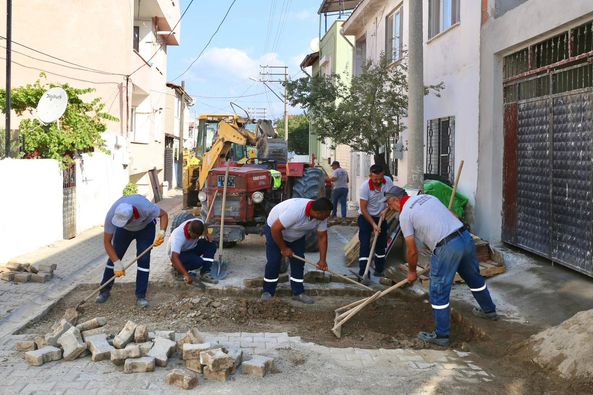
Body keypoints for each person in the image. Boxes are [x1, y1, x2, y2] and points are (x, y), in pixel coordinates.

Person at [383, 185, 498, 347]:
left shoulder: (405, 214)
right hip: (465, 237)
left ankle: (441, 335)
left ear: (395, 200)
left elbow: (412, 250)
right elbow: (454, 215)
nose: (389, 207)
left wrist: (411, 272)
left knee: (438, 290)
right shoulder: (428, 198)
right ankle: (489, 311)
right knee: (473, 277)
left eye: (388, 204)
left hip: (447, 246)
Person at [96, 194, 169, 308]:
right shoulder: (112, 215)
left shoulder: (146, 207)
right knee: (115, 256)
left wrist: (162, 232)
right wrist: (116, 263)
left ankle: (141, 295)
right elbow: (107, 242)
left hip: (146, 228)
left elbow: (163, 214)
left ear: (133, 217)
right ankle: (104, 290)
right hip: (124, 231)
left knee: (143, 259)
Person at [261, 197, 333, 304]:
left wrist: (322, 260)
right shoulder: (296, 211)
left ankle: (298, 292)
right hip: (275, 231)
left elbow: (322, 237)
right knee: (274, 261)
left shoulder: (322, 217)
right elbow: (275, 229)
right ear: (317, 213)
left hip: (297, 236)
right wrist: (284, 248)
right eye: (325, 215)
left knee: (299, 261)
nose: (326, 218)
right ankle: (268, 291)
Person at [357, 164, 394, 283]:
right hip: (366, 217)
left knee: (381, 243)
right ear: (370, 176)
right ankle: (363, 272)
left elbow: (392, 198)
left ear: (383, 175)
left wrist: (386, 209)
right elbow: (363, 209)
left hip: (381, 217)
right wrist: (373, 224)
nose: (378, 181)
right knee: (365, 243)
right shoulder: (364, 188)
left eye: (380, 178)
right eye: (375, 179)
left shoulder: (387, 181)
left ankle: (379, 269)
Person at [167, 218, 219, 285]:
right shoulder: (178, 236)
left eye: (198, 236)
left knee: (211, 244)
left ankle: (205, 272)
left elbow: (205, 226)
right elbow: (173, 257)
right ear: (189, 231)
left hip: (192, 248)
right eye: (195, 236)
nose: (197, 238)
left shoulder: (198, 222)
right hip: (180, 254)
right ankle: (178, 271)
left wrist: (207, 233)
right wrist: (186, 274)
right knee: (198, 262)